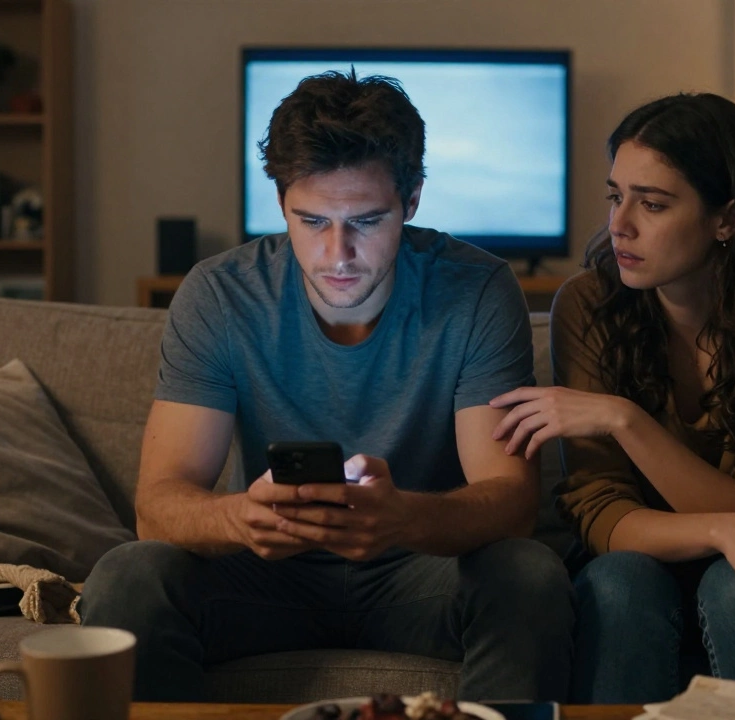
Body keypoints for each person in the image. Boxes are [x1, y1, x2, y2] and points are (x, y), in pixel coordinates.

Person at [80, 70, 574, 702]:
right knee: (129, 573)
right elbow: (158, 504)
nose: (338, 254)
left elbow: (511, 503)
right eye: (311, 221)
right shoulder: (221, 294)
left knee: (527, 574)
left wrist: (402, 519)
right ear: (281, 201)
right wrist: (240, 517)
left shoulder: (475, 289)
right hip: (266, 579)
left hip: (418, 573)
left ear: (413, 200)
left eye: (367, 221)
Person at [490, 92, 735, 702]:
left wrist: (624, 418)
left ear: (728, 219)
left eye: (653, 204)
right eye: (616, 196)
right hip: (635, 572)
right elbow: (600, 513)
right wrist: (721, 532)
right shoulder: (587, 305)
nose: (619, 224)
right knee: (619, 582)